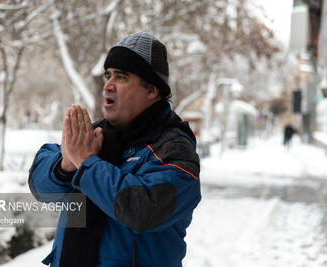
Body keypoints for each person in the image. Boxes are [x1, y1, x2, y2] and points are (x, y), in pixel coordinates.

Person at [28, 32, 201, 267]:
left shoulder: (175, 150)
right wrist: (66, 166)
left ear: (151, 90)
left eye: (121, 77)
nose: (108, 86)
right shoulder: (94, 136)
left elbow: (143, 210)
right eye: (107, 76)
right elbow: (41, 187)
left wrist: (87, 164)